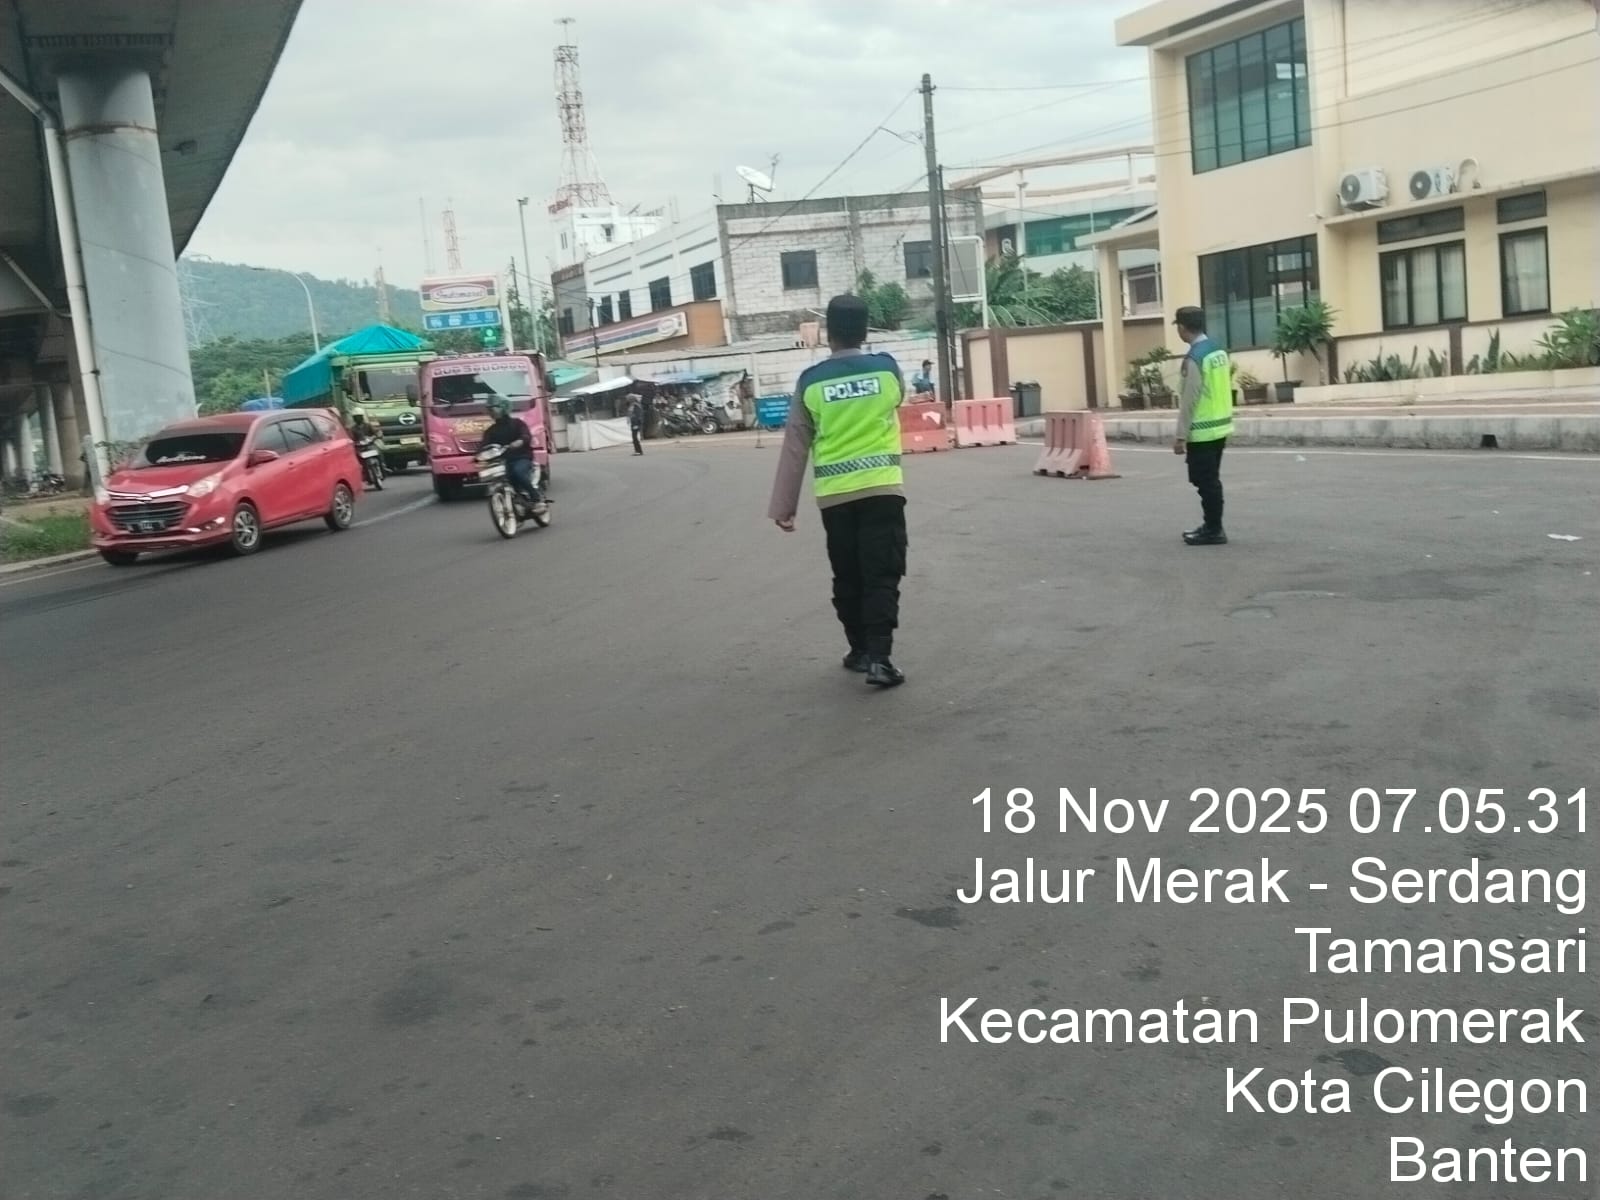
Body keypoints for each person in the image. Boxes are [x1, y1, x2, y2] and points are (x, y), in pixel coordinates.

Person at [769, 294, 908, 688]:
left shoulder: (810, 381)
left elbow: (796, 444)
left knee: (847, 575)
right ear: (864, 330)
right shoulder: (887, 370)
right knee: (882, 573)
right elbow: (899, 399)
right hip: (882, 491)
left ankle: (859, 651)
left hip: (835, 498)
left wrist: (784, 506)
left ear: (828, 333)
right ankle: (881, 659)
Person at [1172, 305, 1234, 546]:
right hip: (1220, 426)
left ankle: (1214, 529)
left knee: (1206, 482)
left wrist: (1180, 436)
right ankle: (1212, 526)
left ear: (1182, 327)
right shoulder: (1218, 351)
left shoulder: (1195, 358)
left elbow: (1190, 399)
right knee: (1210, 480)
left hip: (1203, 431)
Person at [480, 396, 546, 512]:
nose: (491, 412)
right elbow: (483, 446)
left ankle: (536, 499)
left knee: (518, 472)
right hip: (502, 462)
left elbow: (526, 436)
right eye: (489, 410)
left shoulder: (518, 423)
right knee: (498, 477)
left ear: (503, 408)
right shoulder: (490, 431)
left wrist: (520, 441)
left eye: (493, 409)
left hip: (521, 457)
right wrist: (478, 455)